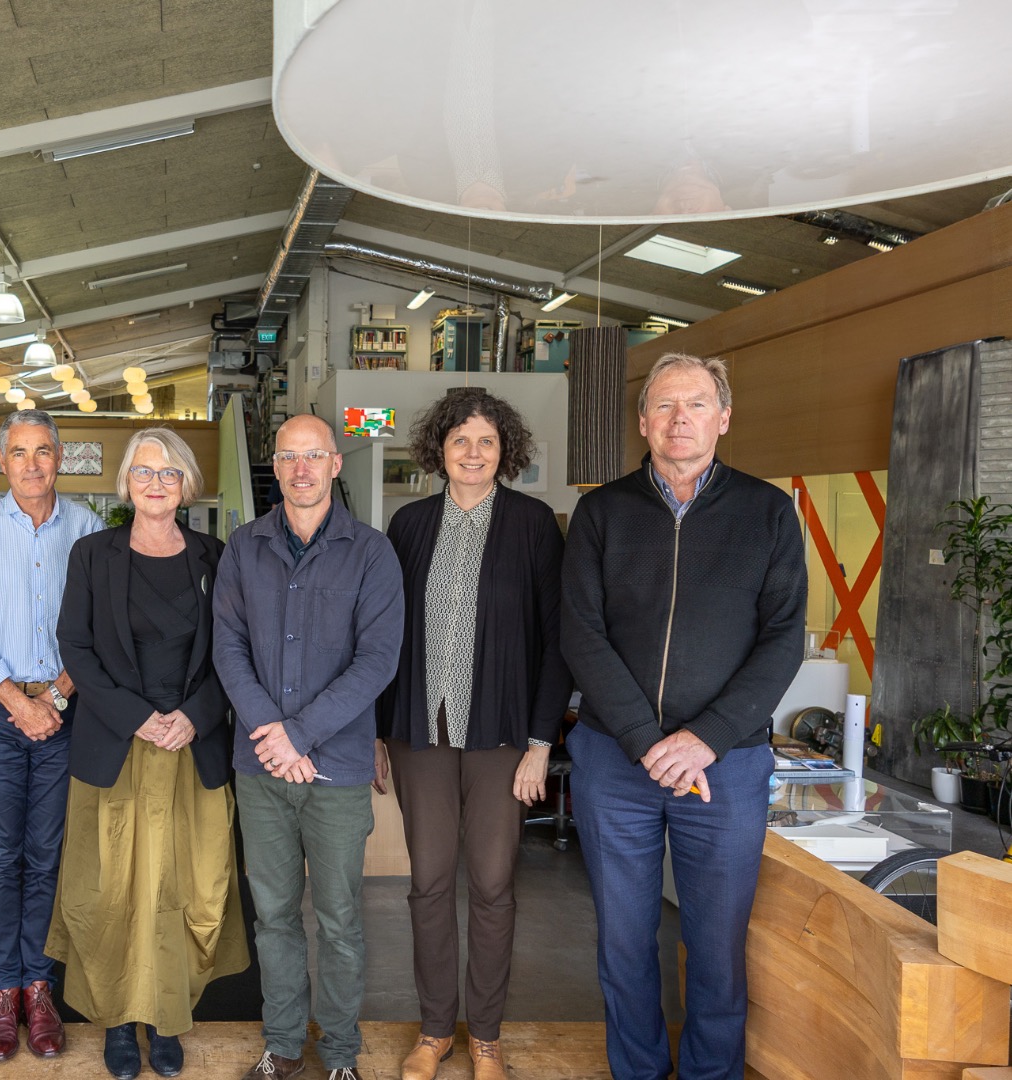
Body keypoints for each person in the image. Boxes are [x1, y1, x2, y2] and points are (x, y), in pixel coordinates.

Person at [561, 352, 807, 1080]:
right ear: (642, 421)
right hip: (616, 759)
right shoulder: (601, 512)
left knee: (718, 943)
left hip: (726, 763)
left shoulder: (768, 511)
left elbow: (783, 637)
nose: (679, 419)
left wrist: (704, 738)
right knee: (625, 941)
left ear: (723, 417)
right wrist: (646, 741)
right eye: (665, 405)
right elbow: (581, 632)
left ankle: (709, 1073)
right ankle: (637, 1070)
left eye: (695, 404)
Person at [379, 388, 571, 1080]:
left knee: (492, 885)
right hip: (420, 734)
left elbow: (558, 640)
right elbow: (386, 638)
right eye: (460, 440)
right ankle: (434, 1031)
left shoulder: (531, 525)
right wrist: (379, 732)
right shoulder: (409, 525)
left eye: (486, 441)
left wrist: (541, 741)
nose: (472, 452)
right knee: (429, 884)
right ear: (440, 449)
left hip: (501, 741)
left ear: (505, 451)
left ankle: (485, 1035)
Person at [48, 428, 250, 1080]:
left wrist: (194, 716)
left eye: (169, 472)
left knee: (182, 890)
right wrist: (138, 718)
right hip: (115, 745)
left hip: (193, 752)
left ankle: (166, 1018)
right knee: (109, 891)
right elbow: (75, 648)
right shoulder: (91, 554)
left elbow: (237, 653)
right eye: (144, 471)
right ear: (127, 482)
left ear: (187, 483)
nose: (156, 482)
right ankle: (114, 1022)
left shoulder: (216, 558)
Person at [212, 413, 405, 1080]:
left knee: (341, 919)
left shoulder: (371, 552)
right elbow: (228, 650)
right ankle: (284, 1043)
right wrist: (274, 736)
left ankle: (343, 1053)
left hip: (337, 769)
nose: (301, 469)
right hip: (261, 768)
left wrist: (299, 734)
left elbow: (377, 661)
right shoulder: (243, 546)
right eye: (289, 457)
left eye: (313, 456)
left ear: (335, 464)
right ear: (276, 464)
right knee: (273, 917)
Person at [0, 409, 103, 1061]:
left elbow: (102, 627)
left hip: (66, 708)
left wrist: (59, 694)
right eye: (20, 452)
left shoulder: (90, 529)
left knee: (47, 855)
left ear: (59, 458)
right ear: (1, 460)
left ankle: (38, 985)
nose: (33, 463)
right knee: (0, 856)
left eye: (44, 451)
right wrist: (18, 701)